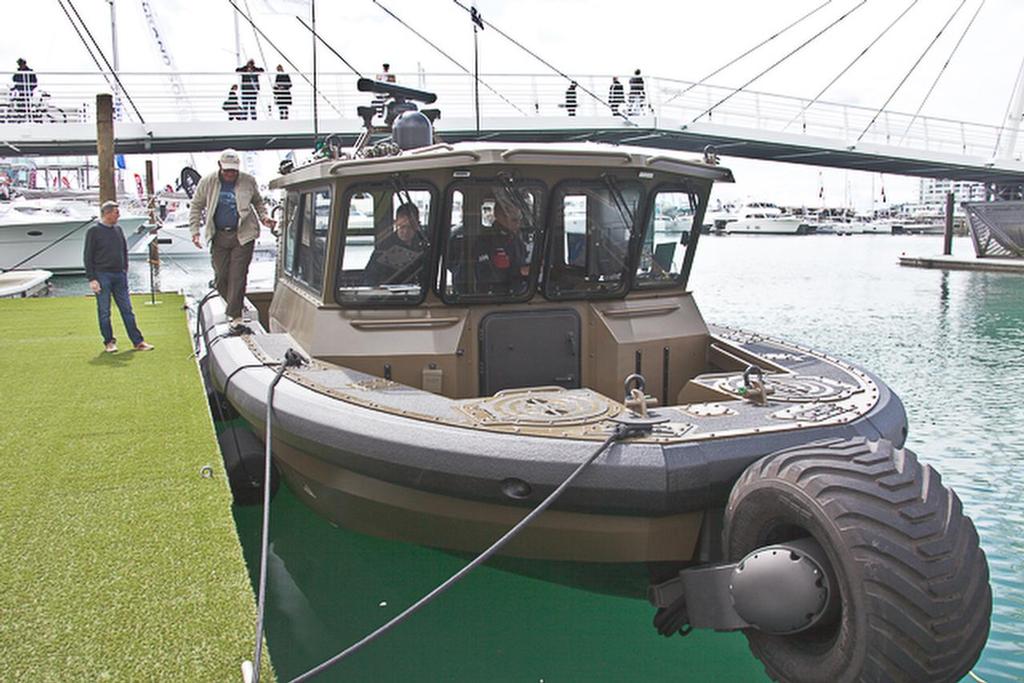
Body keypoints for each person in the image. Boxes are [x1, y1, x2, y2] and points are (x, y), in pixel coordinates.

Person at [188, 149, 276, 329]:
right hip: (219, 234)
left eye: (233, 170)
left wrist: (264, 217)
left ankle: (235, 314)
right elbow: (196, 206)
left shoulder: (248, 180)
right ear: (219, 166)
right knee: (221, 276)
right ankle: (234, 303)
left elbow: (258, 202)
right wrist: (195, 231)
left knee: (238, 274)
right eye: (227, 170)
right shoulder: (208, 182)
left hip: (243, 234)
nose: (230, 173)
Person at [83, 201, 154, 353]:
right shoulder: (94, 231)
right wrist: (92, 279)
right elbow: (88, 256)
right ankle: (109, 341)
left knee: (127, 309)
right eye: (116, 212)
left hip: (119, 275)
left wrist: (124, 269)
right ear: (107, 213)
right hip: (102, 275)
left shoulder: (118, 229)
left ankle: (138, 341)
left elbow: (123, 250)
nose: (118, 215)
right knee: (104, 311)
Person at [473, 199, 530, 294]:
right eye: (514, 220)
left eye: (520, 219)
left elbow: (523, 262)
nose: (518, 224)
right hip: (496, 298)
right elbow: (486, 276)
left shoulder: (516, 240)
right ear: (498, 216)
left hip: (520, 294)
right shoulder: (485, 241)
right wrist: (519, 272)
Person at [362, 203, 426, 286]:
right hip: (391, 296)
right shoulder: (384, 247)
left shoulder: (425, 243)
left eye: (410, 227)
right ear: (396, 223)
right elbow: (370, 276)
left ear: (418, 224)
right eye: (402, 227)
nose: (406, 232)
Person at [12, 58, 37, 123]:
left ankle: (28, 118)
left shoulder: (30, 72)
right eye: (19, 64)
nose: (20, 65)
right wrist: (15, 88)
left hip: (27, 91)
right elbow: (14, 80)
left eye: (21, 64)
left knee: (26, 105)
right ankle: (22, 118)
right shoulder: (18, 72)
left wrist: (30, 89)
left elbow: (34, 82)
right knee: (19, 105)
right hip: (20, 91)